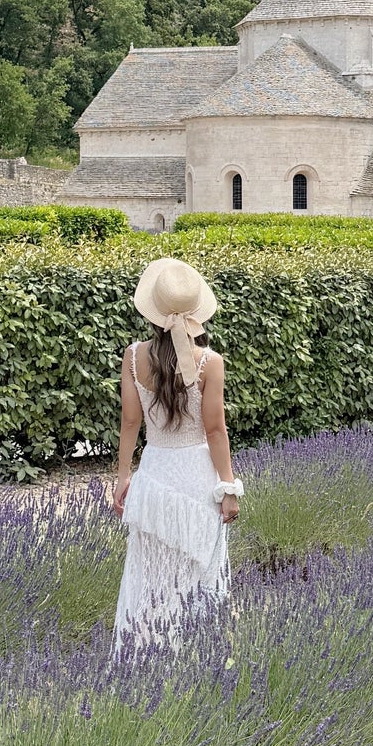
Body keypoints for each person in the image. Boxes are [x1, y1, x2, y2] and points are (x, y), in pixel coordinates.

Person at [111, 257, 242, 640]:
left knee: (150, 574)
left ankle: (144, 651)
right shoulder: (211, 362)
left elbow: (130, 422)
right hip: (196, 479)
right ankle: (195, 654)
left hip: (155, 474)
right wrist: (229, 488)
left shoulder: (134, 356)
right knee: (198, 572)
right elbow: (216, 431)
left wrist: (123, 476)